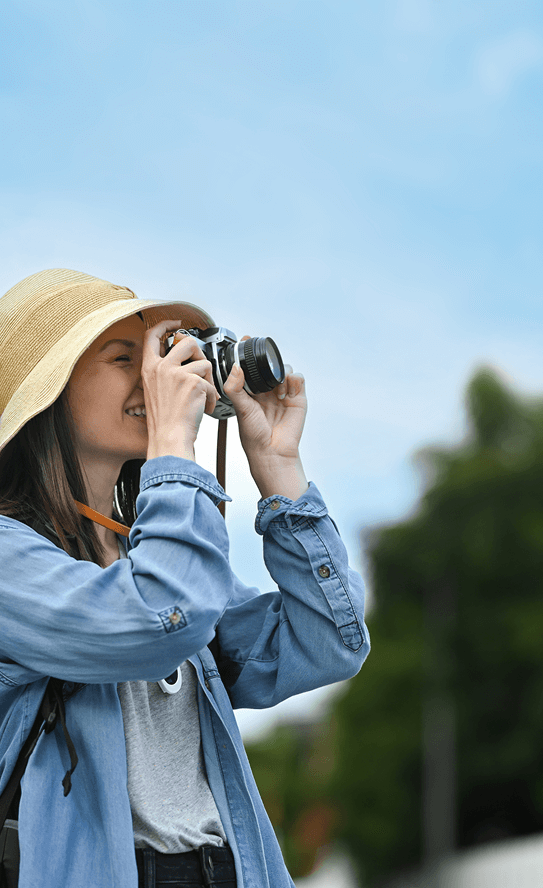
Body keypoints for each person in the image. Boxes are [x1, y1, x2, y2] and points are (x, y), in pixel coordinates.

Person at [0, 269, 370, 888]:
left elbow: (330, 641)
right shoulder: (11, 556)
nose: (156, 377)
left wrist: (278, 466)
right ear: (51, 392)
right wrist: (173, 442)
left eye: (156, 359)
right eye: (125, 359)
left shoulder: (147, 551)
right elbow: (157, 618)